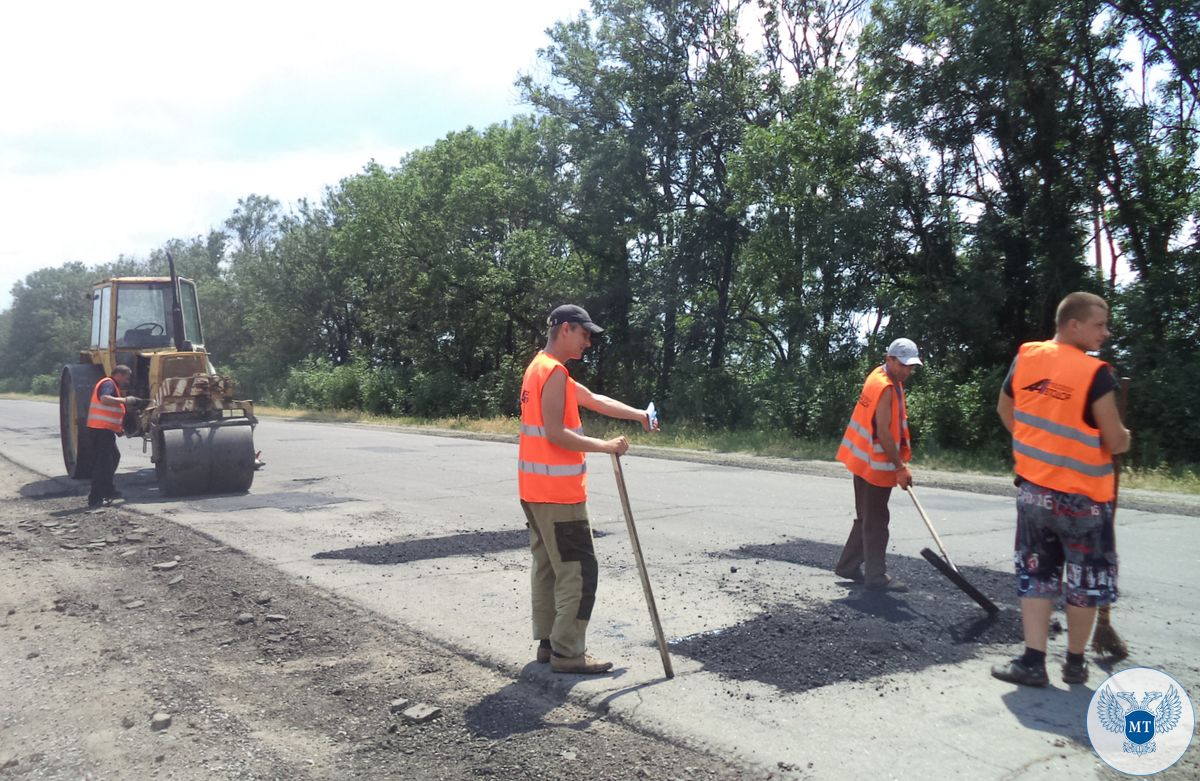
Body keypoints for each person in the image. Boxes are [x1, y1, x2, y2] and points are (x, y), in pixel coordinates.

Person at [991, 292, 1130, 687]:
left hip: (1034, 492)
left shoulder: (1026, 358)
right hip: (1084, 499)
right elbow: (1114, 439)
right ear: (1073, 325)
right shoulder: (1096, 374)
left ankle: (1033, 662)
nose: (1105, 332)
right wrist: (1127, 437)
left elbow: (1005, 410)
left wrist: (1036, 448)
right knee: (1084, 580)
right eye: (1099, 324)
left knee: (1036, 573)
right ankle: (1074, 662)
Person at [518, 304, 657, 674]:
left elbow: (594, 400)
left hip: (535, 490)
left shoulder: (542, 368)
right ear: (565, 329)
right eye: (584, 334)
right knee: (579, 570)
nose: (588, 342)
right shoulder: (554, 373)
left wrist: (639, 415)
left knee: (549, 567)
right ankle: (568, 652)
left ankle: (549, 645)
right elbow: (556, 434)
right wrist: (606, 446)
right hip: (558, 494)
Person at [833, 338, 923, 591]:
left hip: (861, 459)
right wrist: (900, 467)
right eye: (903, 365)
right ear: (889, 359)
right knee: (876, 520)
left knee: (866, 517)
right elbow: (883, 432)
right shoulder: (885, 387)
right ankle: (875, 576)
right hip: (875, 464)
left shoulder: (878, 376)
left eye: (911, 366)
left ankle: (848, 566)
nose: (907, 371)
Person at [86, 364, 141, 509]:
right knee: (103, 464)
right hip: (100, 430)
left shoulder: (111, 385)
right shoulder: (108, 384)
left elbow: (110, 410)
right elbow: (104, 399)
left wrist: (119, 428)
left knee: (114, 457)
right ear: (119, 375)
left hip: (104, 430)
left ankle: (108, 490)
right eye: (126, 378)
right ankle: (95, 498)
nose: (127, 381)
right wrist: (124, 400)